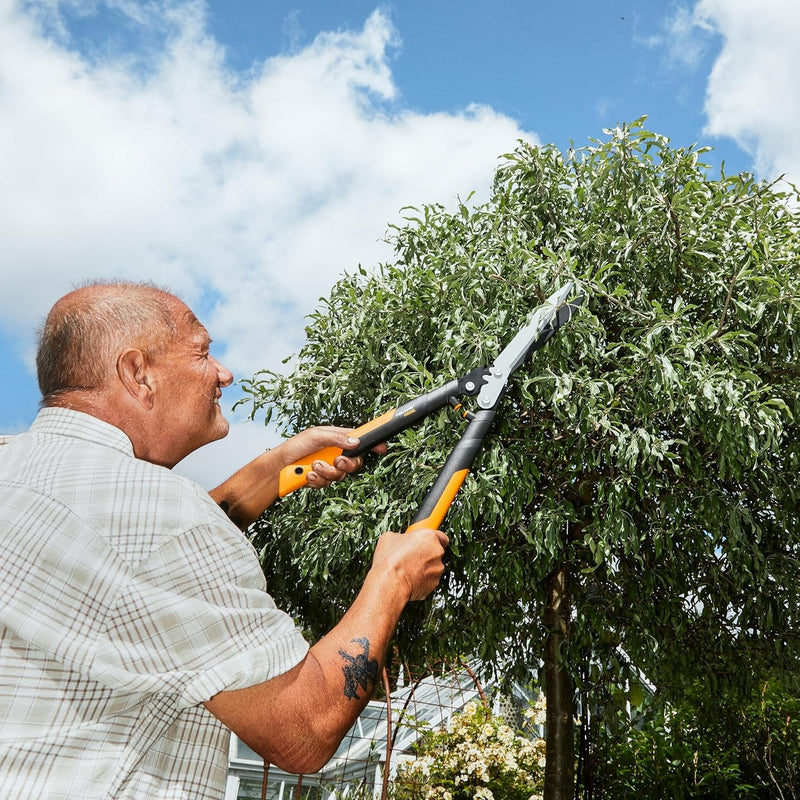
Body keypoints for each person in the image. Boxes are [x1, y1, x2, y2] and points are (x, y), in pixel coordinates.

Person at [0, 281, 448, 799]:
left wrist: (279, 465)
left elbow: (123, 562)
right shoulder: (166, 518)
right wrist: (393, 578)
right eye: (203, 352)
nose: (224, 373)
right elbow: (303, 730)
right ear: (136, 373)